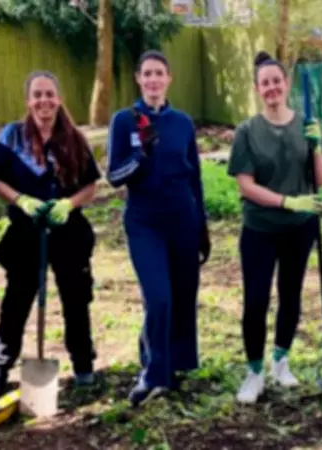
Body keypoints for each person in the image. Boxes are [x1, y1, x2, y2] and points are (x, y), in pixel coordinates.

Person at [0, 71, 102, 401]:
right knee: (16, 301)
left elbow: (91, 186)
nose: (44, 100)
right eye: (37, 94)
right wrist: (21, 200)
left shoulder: (74, 138)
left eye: (49, 93)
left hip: (68, 233)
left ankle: (83, 365)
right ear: (28, 101)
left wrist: (69, 204)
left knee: (76, 300)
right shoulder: (13, 135)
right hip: (26, 233)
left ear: (59, 99)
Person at [227, 51, 322, 405]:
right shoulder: (247, 131)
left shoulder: (306, 124)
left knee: (291, 295)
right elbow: (246, 185)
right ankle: (254, 371)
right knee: (256, 300)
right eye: (265, 83)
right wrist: (287, 202)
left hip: (299, 229)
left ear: (286, 84)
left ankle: (281, 360)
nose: (271, 87)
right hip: (260, 228)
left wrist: (316, 148)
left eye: (277, 81)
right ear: (258, 89)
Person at [105, 50, 210, 407]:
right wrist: (140, 157)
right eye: (147, 73)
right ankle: (151, 371)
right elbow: (114, 177)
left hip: (183, 218)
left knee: (181, 297)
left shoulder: (182, 122)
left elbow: (195, 176)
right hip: (145, 222)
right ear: (138, 78)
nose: (153, 80)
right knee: (158, 296)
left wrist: (203, 227)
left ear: (169, 79)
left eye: (159, 73)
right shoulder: (124, 121)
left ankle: (174, 367)